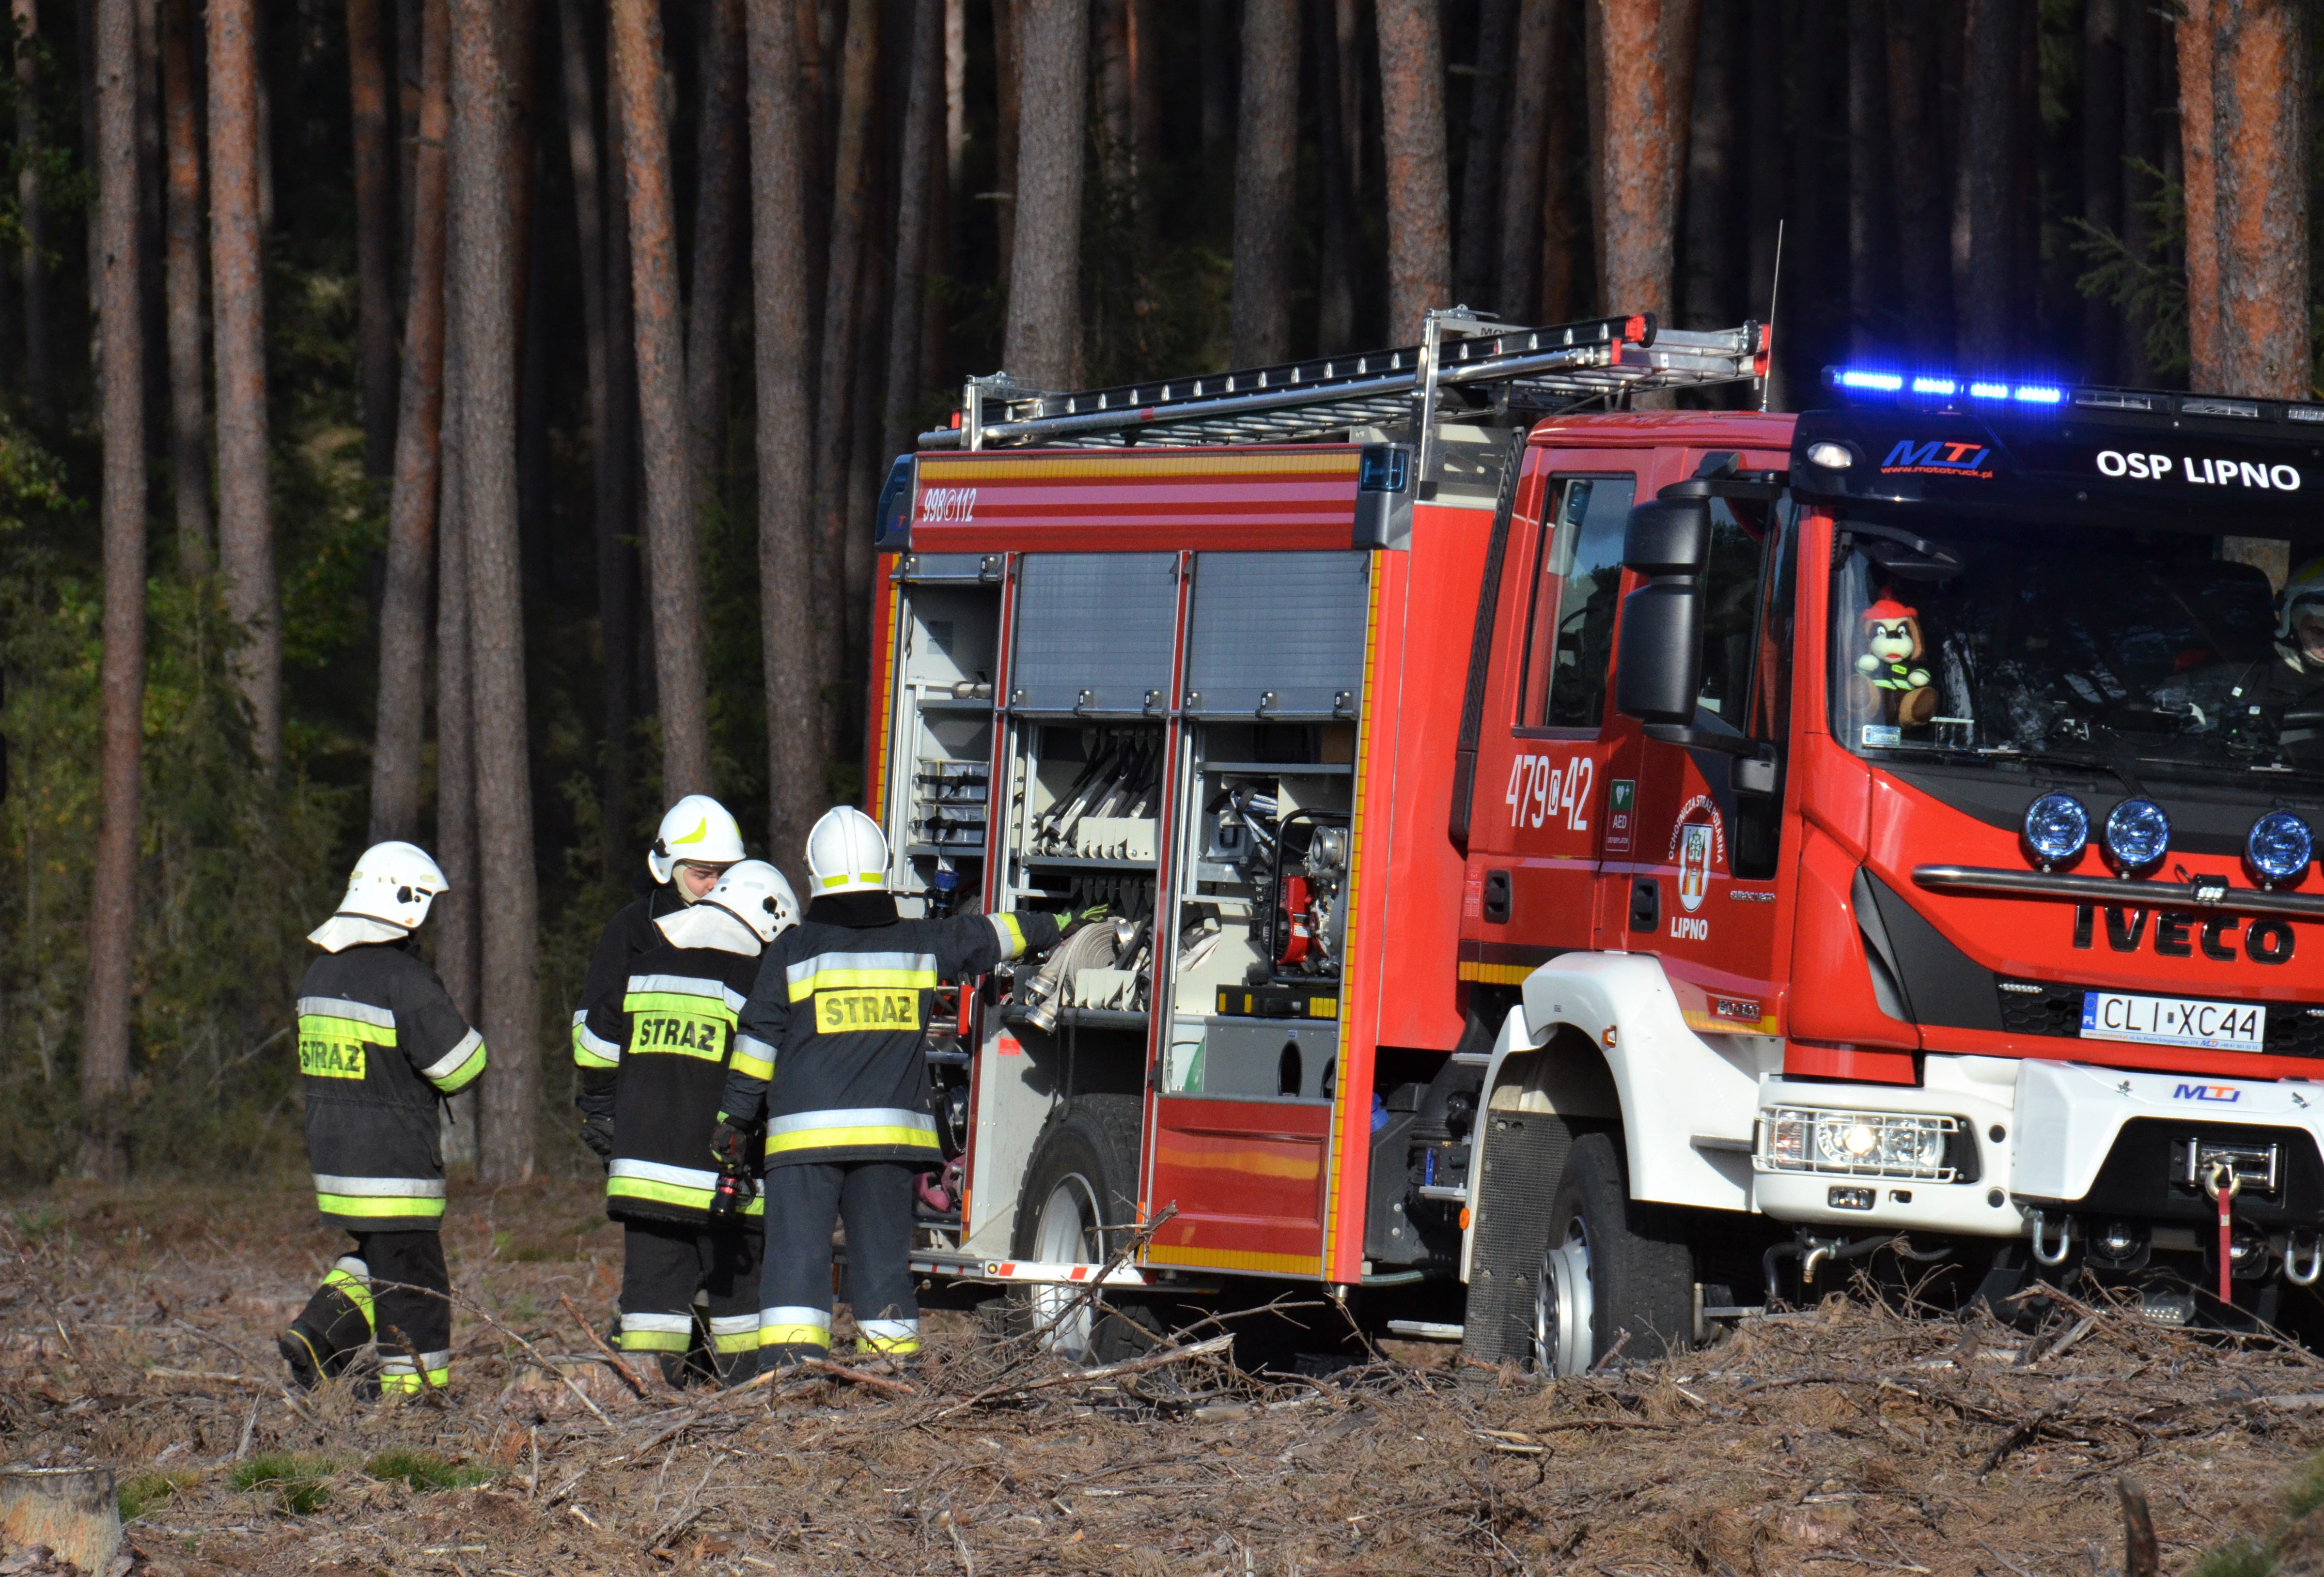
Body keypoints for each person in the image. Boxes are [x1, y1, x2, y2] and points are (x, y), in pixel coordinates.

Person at [715, 806, 1094, 1368]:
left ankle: (791, 1379)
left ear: (814, 875)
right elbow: (989, 935)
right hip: (889, 1143)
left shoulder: (791, 952)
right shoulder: (920, 941)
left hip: (803, 1142)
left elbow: (757, 1043)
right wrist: (1059, 924)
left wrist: (734, 1121)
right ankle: (891, 1383)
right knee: (883, 1268)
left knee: (795, 1263)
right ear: (884, 869)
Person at [279, 842, 485, 1398]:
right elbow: (461, 1067)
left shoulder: (319, 974)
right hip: (394, 1164)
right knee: (418, 1288)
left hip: (336, 1161)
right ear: (408, 904)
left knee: (381, 1258)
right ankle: (414, 1401)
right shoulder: (405, 979)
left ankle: (317, 1335)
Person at [582, 861, 798, 1388]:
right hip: (724, 1181)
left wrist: (602, 1111)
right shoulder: (755, 983)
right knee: (739, 1305)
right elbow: (771, 1076)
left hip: (643, 1178)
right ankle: (750, 1401)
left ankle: (643, 1404)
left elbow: (593, 1044)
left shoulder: (641, 970)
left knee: (650, 1307)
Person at [574, 795, 749, 1159]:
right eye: (702, 874)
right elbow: (589, 1030)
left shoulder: (752, 931)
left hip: (720, 1125)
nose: (715, 885)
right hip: (641, 1118)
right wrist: (603, 1111)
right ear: (667, 869)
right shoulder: (631, 929)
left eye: (724, 874)